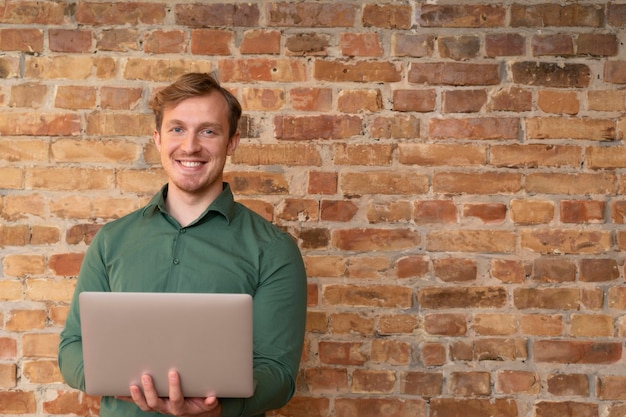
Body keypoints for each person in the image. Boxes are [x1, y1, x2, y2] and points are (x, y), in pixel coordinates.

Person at [58, 72, 308, 417]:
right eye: (177, 129)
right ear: (158, 139)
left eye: (208, 131)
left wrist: (219, 408)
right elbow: (72, 346)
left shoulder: (274, 249)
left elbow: (278, 374)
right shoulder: (111, 241)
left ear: (231, 142)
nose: (190, 146)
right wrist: (120, 383)